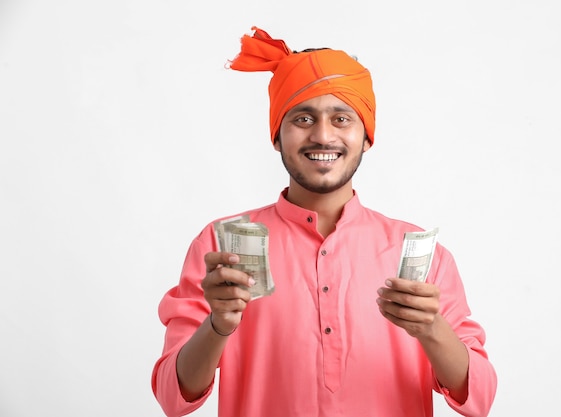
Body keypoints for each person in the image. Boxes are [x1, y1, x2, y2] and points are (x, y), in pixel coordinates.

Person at [151, 26, 497, 417]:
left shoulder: (419, 252)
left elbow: (479, 398)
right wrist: (217, 325)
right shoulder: (218, 246)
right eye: (302, 118)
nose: (321, 135)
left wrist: (431, 329)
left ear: (366, 136)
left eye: (341, 118)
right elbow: (172, 397)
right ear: (277, 136)